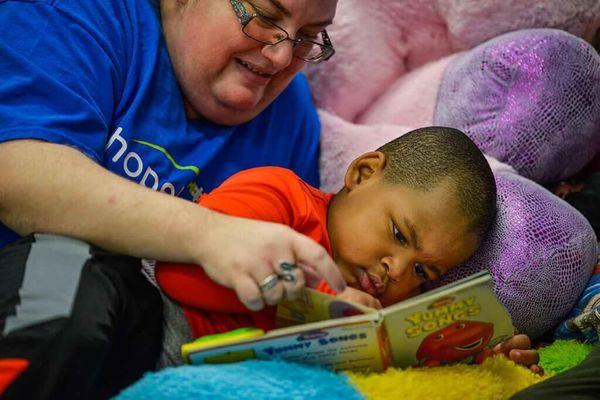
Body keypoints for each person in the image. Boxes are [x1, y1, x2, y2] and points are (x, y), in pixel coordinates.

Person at [0, 0, 345, 398]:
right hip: (43, 305)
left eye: (307, 37)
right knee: (67, 267)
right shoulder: (76, 13)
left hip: (153, 345)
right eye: (264, 18)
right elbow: (18, 174)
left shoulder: (291, 116)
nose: (282, 56)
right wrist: (209, 235)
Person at [156, 126, 541, 371]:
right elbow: (176, 273)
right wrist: (326, 304)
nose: (398, 270)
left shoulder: (382, 314)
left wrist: (485, 361)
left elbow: (415, 361)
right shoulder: (281, 196)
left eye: (423, 272)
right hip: (162, 330)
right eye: (400, 234)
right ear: (363, 174)